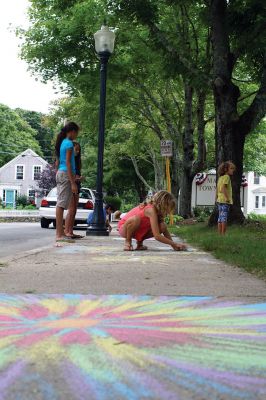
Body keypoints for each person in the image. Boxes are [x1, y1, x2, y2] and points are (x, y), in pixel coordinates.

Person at [118, 191, 187, 251]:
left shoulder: (158, 212)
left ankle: (139, 244)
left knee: (162, 226)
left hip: (137, 230)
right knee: (136, 219)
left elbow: (164, 230)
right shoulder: (151, 210)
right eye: (168, 208)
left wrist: (174, 246)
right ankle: (128, 242)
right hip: (124, 228)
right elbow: (157, 236)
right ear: (162, 204)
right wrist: (174, 243)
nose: (168, 212)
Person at [54, 122, 80, 246]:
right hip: (65, 175)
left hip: (62, 173)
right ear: (72, 131)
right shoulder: (69, 143)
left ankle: (62, 233)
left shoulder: (63, 142)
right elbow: (68, 164)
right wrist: (72, 182)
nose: (77, 135)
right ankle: (59, 234)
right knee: (61, 204)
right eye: (77, 132)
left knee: (62, 203)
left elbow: (61, 161)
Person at [64, 141, 84, 239]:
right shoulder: (68, 162)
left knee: (74, 210)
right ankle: (66, 231)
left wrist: (79, 178)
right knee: (71, 210)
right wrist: (75, 179)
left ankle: (71, 231)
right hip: (71, 185)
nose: (77, 151)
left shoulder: (77, 162)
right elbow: (68, 175)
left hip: (77, 184)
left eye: (78, 150)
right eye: (75, 149)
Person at [216, 161, 236, 235]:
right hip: (225, 201)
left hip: (219, 200)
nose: (232, 170)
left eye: (233, 168)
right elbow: (223, 188)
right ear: (225, 169)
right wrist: (227, 198)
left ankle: (219, 234)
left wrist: (216, 198)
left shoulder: (220, 178)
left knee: (220, 218)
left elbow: (218, 189)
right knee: (224, 218)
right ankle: (223, 235)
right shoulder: (227, 177)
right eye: (231, 168)